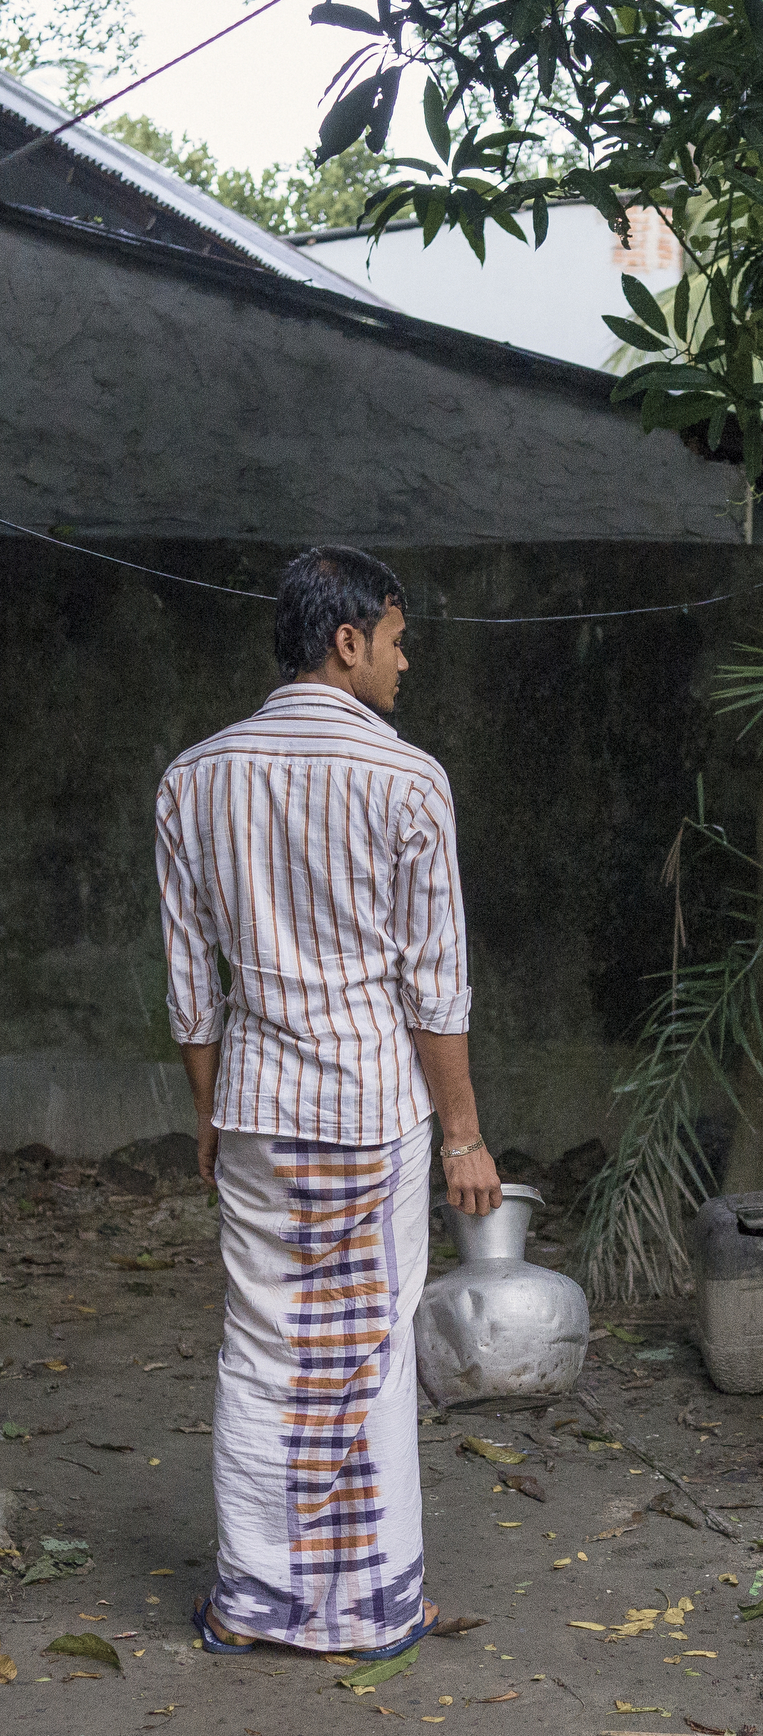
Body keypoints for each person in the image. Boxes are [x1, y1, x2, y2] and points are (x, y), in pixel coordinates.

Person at [154, 546, 503, 1660]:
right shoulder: (408, 779)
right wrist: (466, 1136)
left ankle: (252, 1605)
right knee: (370, 1349)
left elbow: (188, 984)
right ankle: (372, 1609)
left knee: (262, 1345)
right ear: (348, 641)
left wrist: (210, 1112)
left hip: (257, 1103)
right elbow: (432, 980)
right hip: (368, 1110)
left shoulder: (191, 778)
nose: (407, 662)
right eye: (398, 640)